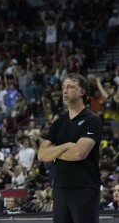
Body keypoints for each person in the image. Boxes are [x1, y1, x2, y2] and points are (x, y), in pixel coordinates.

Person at [38, 73, 102, 223]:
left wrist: (53, 152)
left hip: (84, 188)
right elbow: (41, 155)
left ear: (82, 92)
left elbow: (79, 153)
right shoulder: (59, 121)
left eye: (71, 87)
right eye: (64, 87)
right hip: (60, 188)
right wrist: (66, 146)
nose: (65, 90)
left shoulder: (92, 120)